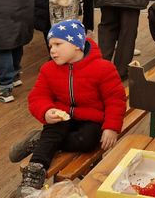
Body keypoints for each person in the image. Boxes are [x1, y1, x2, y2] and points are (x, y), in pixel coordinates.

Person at [13, 19, 126, 197]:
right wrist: (46, 111)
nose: (53, 50)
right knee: (53, 131)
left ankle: (38, 140)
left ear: (76, 45)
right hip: (62, 115)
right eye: (51, 46)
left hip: (91, 118)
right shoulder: (48, 69)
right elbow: (37, 96)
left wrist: (111, 127)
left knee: (87, 141)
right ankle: (33, 174)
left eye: (58, 44)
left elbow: (115, 100)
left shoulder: (103, 68)